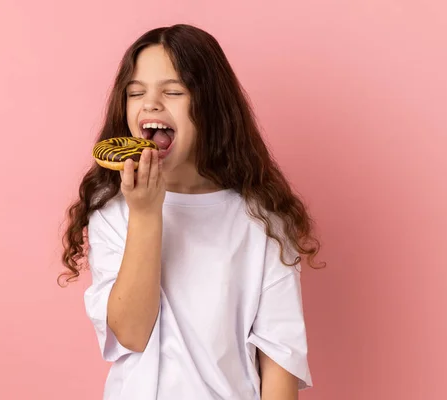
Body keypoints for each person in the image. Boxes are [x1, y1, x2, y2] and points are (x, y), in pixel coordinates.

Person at [61, 24, 325, 400]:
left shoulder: (262, 221)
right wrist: (146, 214)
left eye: (173, 91)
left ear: (211, 106)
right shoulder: (116, 210)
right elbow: (131, 334)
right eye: (136, 93)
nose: (150, 103)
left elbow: (280, 357)